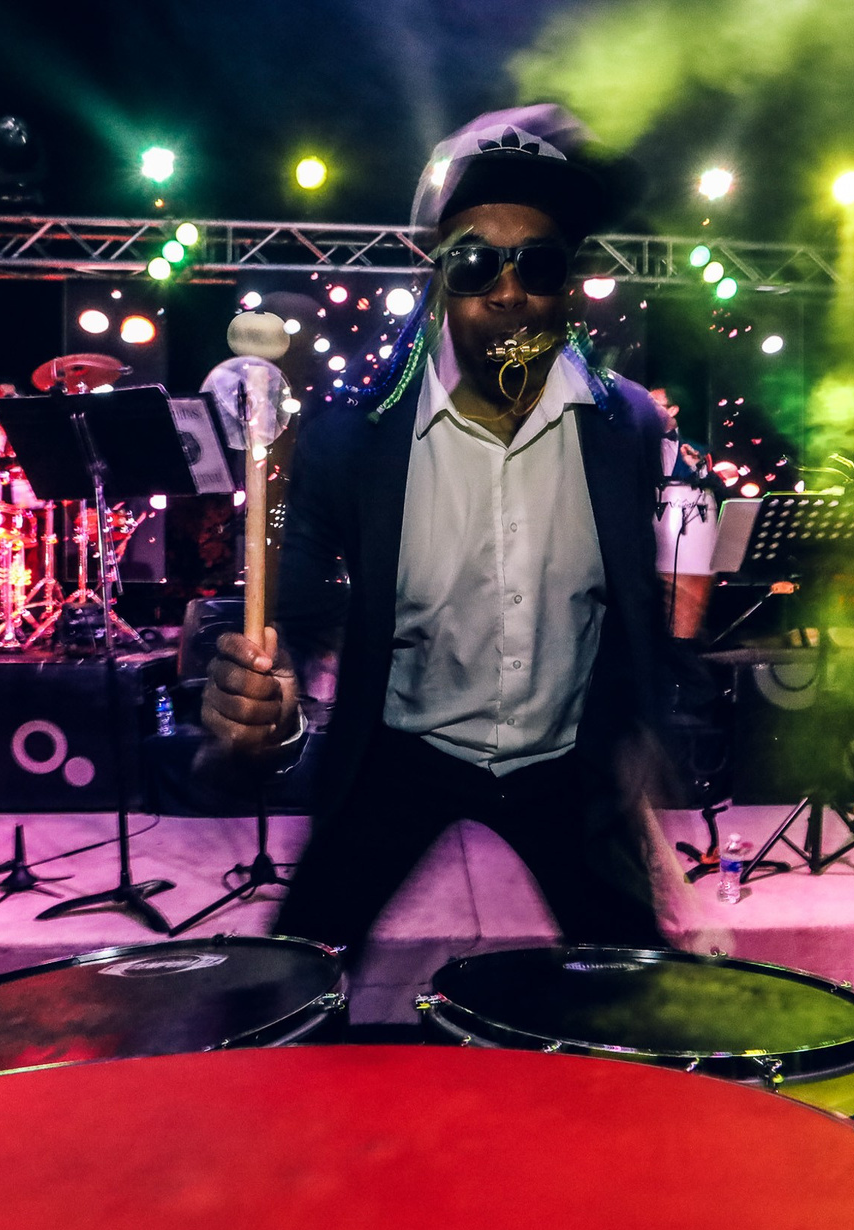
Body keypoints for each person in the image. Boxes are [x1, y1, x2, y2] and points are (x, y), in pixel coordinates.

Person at [201, 106, 675, 962]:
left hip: (566, 762)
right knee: (298, 974)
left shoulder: (626, 427)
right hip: (402, 751)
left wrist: (640, 737)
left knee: (630, 991)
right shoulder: (351, 440)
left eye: (538, 262)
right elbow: (289, 626)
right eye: (475, 261)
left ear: (569, 284)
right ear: (439, 275)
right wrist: (269, 711)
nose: (507, 289)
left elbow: (634, 602)